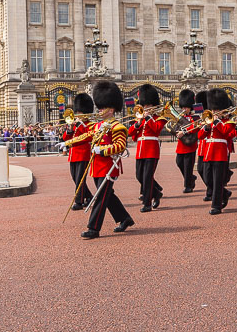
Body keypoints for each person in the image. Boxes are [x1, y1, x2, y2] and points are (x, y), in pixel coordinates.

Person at [79, 81, 134, 239]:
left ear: (112, 109)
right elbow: (85, 136)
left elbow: (120, 146)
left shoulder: (117, 126)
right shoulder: (99, 125)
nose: (100, 110)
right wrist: (67, 142)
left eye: (103, 107)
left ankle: (93, 228)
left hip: (109, 166)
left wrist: (101, 150)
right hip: (97, 166)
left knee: (101, 196)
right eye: (100, 107)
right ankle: (125, 218)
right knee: (108, 195)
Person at [197, 89, 237, 215]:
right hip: (208, 153)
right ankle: (224, 193)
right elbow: (200, 136)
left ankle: (216, 206)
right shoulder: (209, 121)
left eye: (216, 109)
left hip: (220, 153)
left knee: (217, 180)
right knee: (207, 177)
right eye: (213, 109)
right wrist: (206, 127)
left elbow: (226, 132)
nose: (214, 112)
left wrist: (217, 121)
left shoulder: (229, 122)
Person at [127, 84, 165, 212]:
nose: (146, 108)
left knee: (147, 178)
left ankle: (147, 204)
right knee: (139, 176)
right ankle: (157, 193)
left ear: (153, 104)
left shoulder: (159, 118)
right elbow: (131, 134)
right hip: (140, 150)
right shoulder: (140, 119)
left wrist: (148, 118)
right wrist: (138, 123)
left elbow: (156, 130)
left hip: (152, 150)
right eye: (144, 105)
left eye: (148, 105)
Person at [60, 93, 95, 210]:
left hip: (83, 154)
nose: (78, 115)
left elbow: (88, 136)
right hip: (73, 154)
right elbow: (66, 138)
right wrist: (70, 129)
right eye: (78, 112)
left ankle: (79, 201)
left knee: (80, 179)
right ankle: (89, 196)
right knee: (75, 178)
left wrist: (79, 125)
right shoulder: (74, 125)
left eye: (80, 113)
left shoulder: (89, 124)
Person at [174, 89, 199, 193]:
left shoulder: (195, 117)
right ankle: (191, 178)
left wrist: (183, 131)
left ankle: (188, 185)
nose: (184, 109)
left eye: (186, 107)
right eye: (183, 107)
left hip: (190, 144)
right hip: (181, 144)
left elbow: (196, 128)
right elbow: (175, 127)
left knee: (188, 166)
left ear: (190, 107)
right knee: (179, 162)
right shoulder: (180, 117)